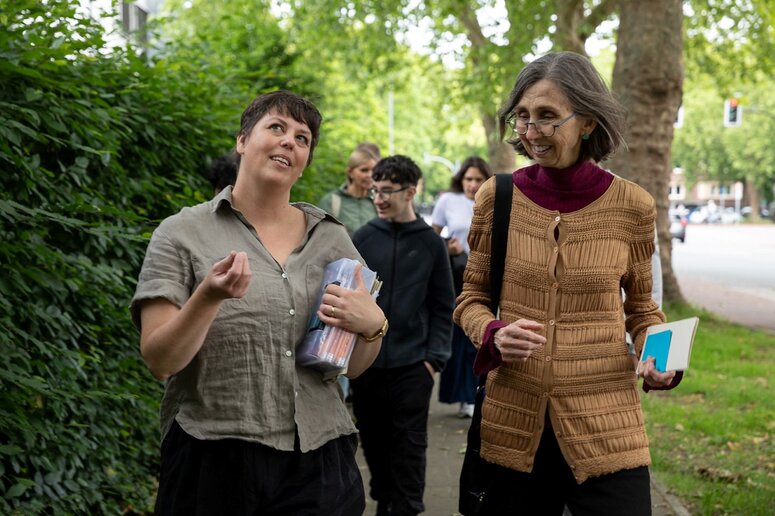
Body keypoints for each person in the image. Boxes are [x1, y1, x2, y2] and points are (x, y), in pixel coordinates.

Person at [130, 90, 388, 516]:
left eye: (303, 138)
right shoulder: (181, 232)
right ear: (242, 140)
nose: (290, 141)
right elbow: (160, 360)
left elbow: (353, 365)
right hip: (212, 457)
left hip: (319, 457)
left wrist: (373, 324)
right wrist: (208, 297)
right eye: (277, 128)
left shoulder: (331, 238)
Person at [454, 52, 681, 515]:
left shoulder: (632, 206)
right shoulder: (496, 198)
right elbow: (470, 301)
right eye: (522, 117)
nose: (531, 132)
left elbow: (643, 309)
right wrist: (494, 334)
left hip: (607, 426)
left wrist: (664, 362)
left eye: (547, 117)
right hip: (514, 424)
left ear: (588, 122)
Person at [351, 155, 456, 516]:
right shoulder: (362, 238)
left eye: (387, 191)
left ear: (411, 191)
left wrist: (433, 360)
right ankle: (384, 500)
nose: (379, 198)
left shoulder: (431, 243)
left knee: (409, 448)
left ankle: (407, 507)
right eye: (374, 191)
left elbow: (445, 306)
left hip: (414, 367)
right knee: (374, 446)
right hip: (365, 365)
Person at [432, 156, 493, 418]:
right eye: (469, 179)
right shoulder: (448, 201)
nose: (473, 184)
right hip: (456, 277)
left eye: (479, 179)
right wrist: (447, 248)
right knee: (458, 338)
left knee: (480, 336)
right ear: (461, 179)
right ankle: (462, 395)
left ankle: (475, 393)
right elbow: (431, 238)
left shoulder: (494, 200)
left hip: (487, 277)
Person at [318, 142, 381, 236]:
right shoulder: (331, 202)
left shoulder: (378, 202)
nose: (370, 175)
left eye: (374, 170)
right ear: (350, 172)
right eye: (364, 170)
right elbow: (319, 238)